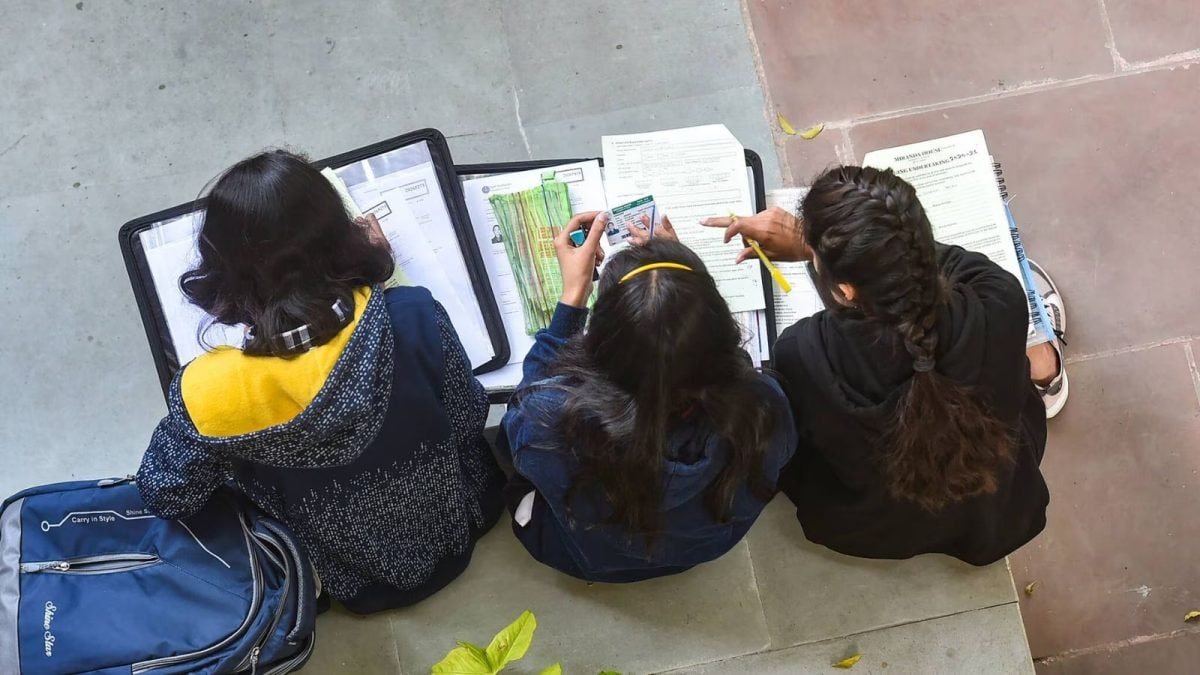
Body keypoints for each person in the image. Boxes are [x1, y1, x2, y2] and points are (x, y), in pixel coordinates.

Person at [136, 149, 505, 613]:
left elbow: (167, 492)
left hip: (346, 577)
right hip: (463, 523)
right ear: (344, 239)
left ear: (222, 272)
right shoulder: (412, 314)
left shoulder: (212, 394)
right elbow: (468, 415)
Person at [704, 165, 1066, 566]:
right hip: (995, 509)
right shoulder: (998, 297)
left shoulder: (805, 351)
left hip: (873, 525)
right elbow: (924, 264)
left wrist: (814, 246)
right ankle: (1045, 366)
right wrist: (823, 247)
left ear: (845, 291)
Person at [498, 212, 797, 582]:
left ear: (598, 344)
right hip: (695, 549)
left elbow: (527, 404)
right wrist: (682, 293)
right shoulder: (766, 404)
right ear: (718, 330)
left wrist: (572, 300)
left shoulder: (546, 421)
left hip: (588, 556)